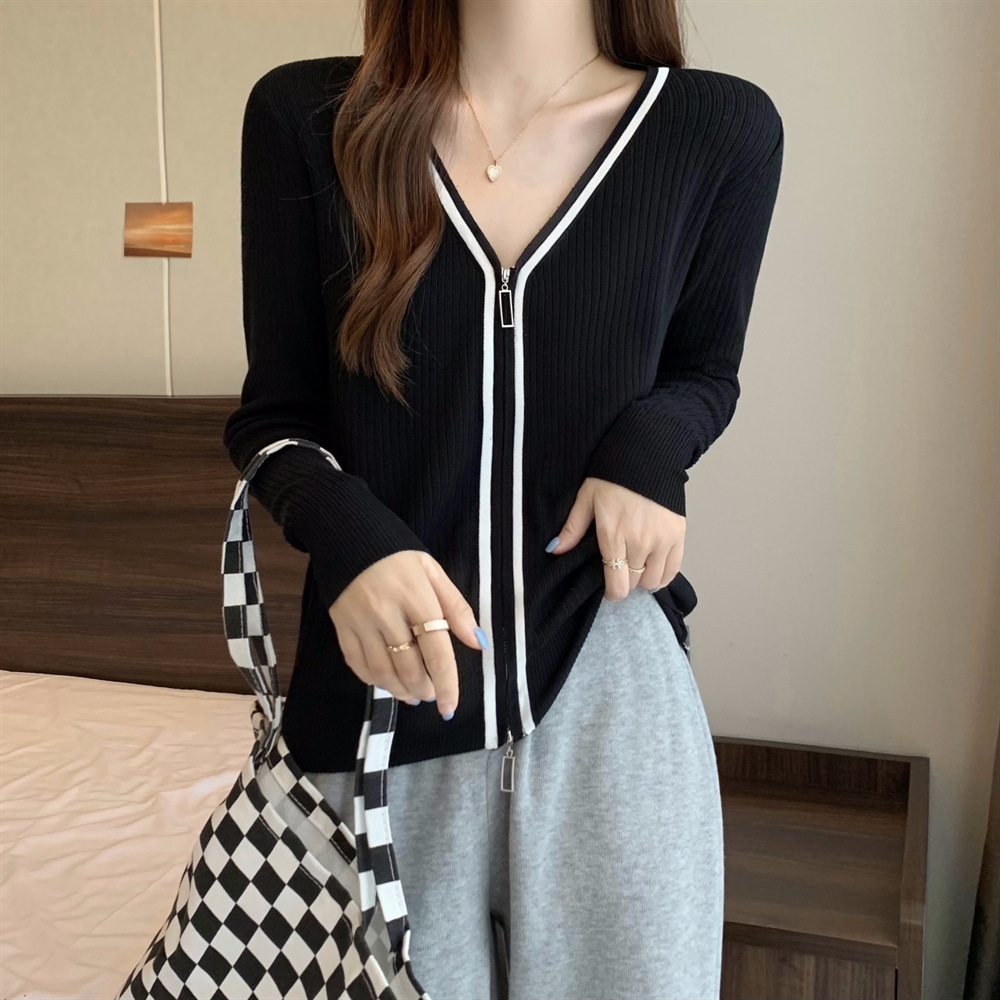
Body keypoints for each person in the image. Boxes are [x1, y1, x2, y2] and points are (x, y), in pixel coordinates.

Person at [223, 3, 784, 997]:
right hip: (383, 700)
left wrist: (650, 448)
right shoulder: (308, 118)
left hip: (610, 702)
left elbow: (706, 370)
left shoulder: (715, 128)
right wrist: (353, 539)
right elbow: (274, 419)